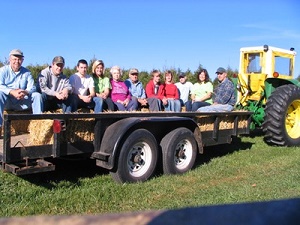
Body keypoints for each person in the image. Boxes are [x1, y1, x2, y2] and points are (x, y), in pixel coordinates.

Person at [0, 49, 43, 129]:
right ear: (10, 59)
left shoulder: (27, 72)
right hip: (8, 101)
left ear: (22, 60)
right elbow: (0, 85)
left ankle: (38, 126)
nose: (17, 61)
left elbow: (32, 87)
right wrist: (12, 92)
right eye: (14, 59)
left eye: (19, 59)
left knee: (37, 95)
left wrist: (25, 92)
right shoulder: (2, 71)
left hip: (22, 101)